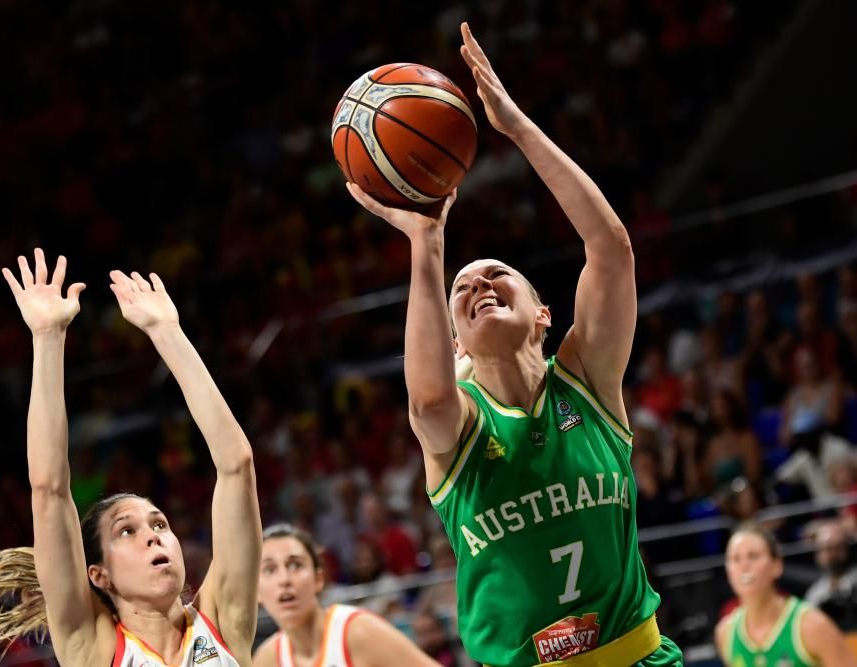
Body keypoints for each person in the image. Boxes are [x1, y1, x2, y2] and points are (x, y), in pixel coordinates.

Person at [345, 22, 682, 666]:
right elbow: (427, 401)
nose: (479, 284)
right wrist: (427, 246)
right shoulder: (460, 425)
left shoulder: (588, 381)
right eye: (463, 290)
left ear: (543, 316)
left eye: (498, 275)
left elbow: (610, 252)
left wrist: (517, 128)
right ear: (455, 342)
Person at [0, 249, 261, 666]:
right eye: (126, 532)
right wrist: (47, 338)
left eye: (159, 523)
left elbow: (236, 465)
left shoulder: (223, 621)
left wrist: (167, 332)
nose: (154, 535)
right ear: (98, 574)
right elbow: (49, 489)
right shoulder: (92, 648)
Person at [253, 524, 440, 667]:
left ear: (319, 579)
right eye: (269, 569)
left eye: (296, 565)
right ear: (257, 592)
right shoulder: (266, 660)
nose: (284, 579)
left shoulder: (358, 631)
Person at [715, 523, 855, 666]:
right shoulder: (725, 633)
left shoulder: (812, 625)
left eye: (753, 556)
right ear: (727, 570)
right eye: (735, 559)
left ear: (777, 565)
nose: (744, 565)